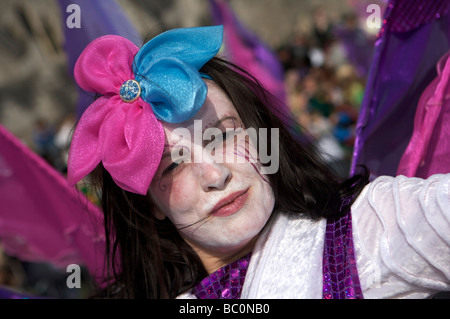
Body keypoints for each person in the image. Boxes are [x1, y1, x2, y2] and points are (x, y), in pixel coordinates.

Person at [67, 25, 450, 299]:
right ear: (150, 204)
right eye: (173, 165)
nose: (216, 175)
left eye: (223, 135)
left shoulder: (373, 226)